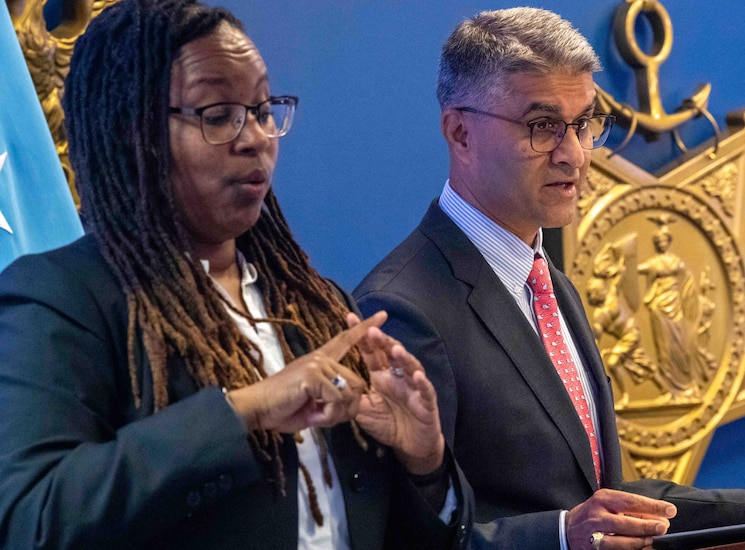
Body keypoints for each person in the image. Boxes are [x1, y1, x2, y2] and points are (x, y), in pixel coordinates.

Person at [0, 1, 472, 548]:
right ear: (133, 133)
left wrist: (425, 462)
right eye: (218, 114)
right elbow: (28, 519)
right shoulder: (61, 300)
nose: (257, 138)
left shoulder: (316, 305)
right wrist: (245, 409)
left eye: (264, 109)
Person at [354, 7, 745, 550]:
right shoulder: (399, 311)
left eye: (582, 125)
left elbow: (599, 497)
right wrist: (559, 537)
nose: (574, 155)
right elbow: (403, 536)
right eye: (543, 127)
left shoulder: (546, 281)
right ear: (459, 131)